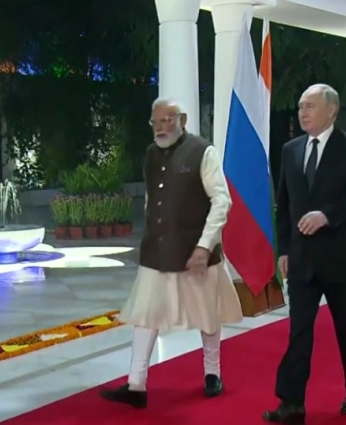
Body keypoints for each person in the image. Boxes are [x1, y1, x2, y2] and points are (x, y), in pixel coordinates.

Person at [100, 97, 243, 408]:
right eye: (155, 122)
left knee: (207, 313)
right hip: (157, 250)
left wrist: (205, 245)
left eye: (167, 120)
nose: (160, 127)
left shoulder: (203, 152)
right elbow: (152, 199)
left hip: (197, 251)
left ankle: (212, 373)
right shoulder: (151, 154)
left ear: (183, 120)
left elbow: (222, 201)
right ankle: (136, 384)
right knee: (145, 313)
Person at [263, 84, 346, 424]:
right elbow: (284, 205)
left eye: (310, 106)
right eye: (300, 106)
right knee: (299, 332)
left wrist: (327, 215)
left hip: (344, 259)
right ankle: (292, 402)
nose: (303, 112)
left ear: (332, 110)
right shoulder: (291, 150)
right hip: (302, 261)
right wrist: (283, 250)